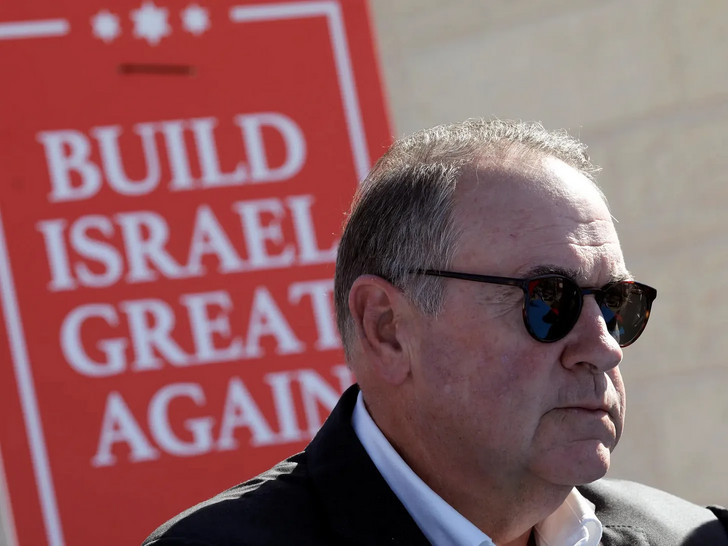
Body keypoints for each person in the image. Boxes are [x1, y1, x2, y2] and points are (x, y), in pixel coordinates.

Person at [144, 119, 728, 546]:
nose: (602, 346)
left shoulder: (691, 536)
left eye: (618, 303)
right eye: (550, 299)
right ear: (387, 328)